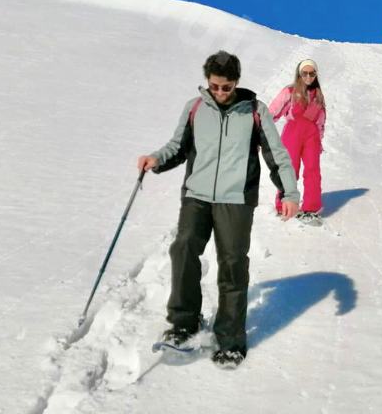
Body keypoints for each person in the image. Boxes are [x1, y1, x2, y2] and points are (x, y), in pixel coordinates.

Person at [137, 51, 300, 369]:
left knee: (233, 264)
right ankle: (184, 324)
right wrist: (156, 158)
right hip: (197, 195)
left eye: (226, 87)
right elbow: (178, 146)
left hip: (236, 199)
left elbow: (276, 153)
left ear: (236, 82)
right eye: (214, 86)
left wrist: (289, 191)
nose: (221, 92)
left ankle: (230, 340)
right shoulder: (196, 108)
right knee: (183, 249)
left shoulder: (254, 111)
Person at [269, 59, 326, 224]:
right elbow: (273, 112)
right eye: (304, 73)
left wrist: (319, 140)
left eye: (312, 73)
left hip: (312, 135)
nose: (308, 76)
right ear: (299, 74)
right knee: (289, 169)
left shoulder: (318, 96)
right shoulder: (290, 91)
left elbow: (321, 120)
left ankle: (311, 208)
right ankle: (283, 205)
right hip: (293, 132)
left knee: (312, 170)